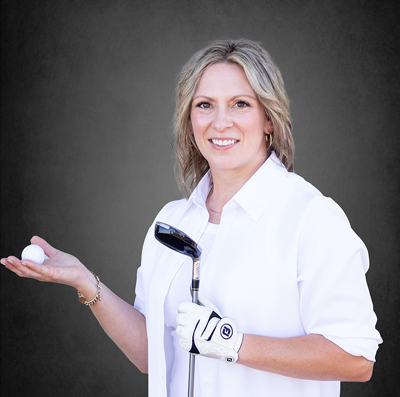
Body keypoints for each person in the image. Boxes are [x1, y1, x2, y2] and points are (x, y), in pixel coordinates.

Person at [1, 39, 382, 397]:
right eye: (205, 105)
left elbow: (356, 358)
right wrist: (86, 282)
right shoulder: (172, 223)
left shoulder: (311, 218)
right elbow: (152, 354)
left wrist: (232, 343)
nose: (220, 122)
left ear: (270, 119)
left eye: (240, 104)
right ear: (189, 119)